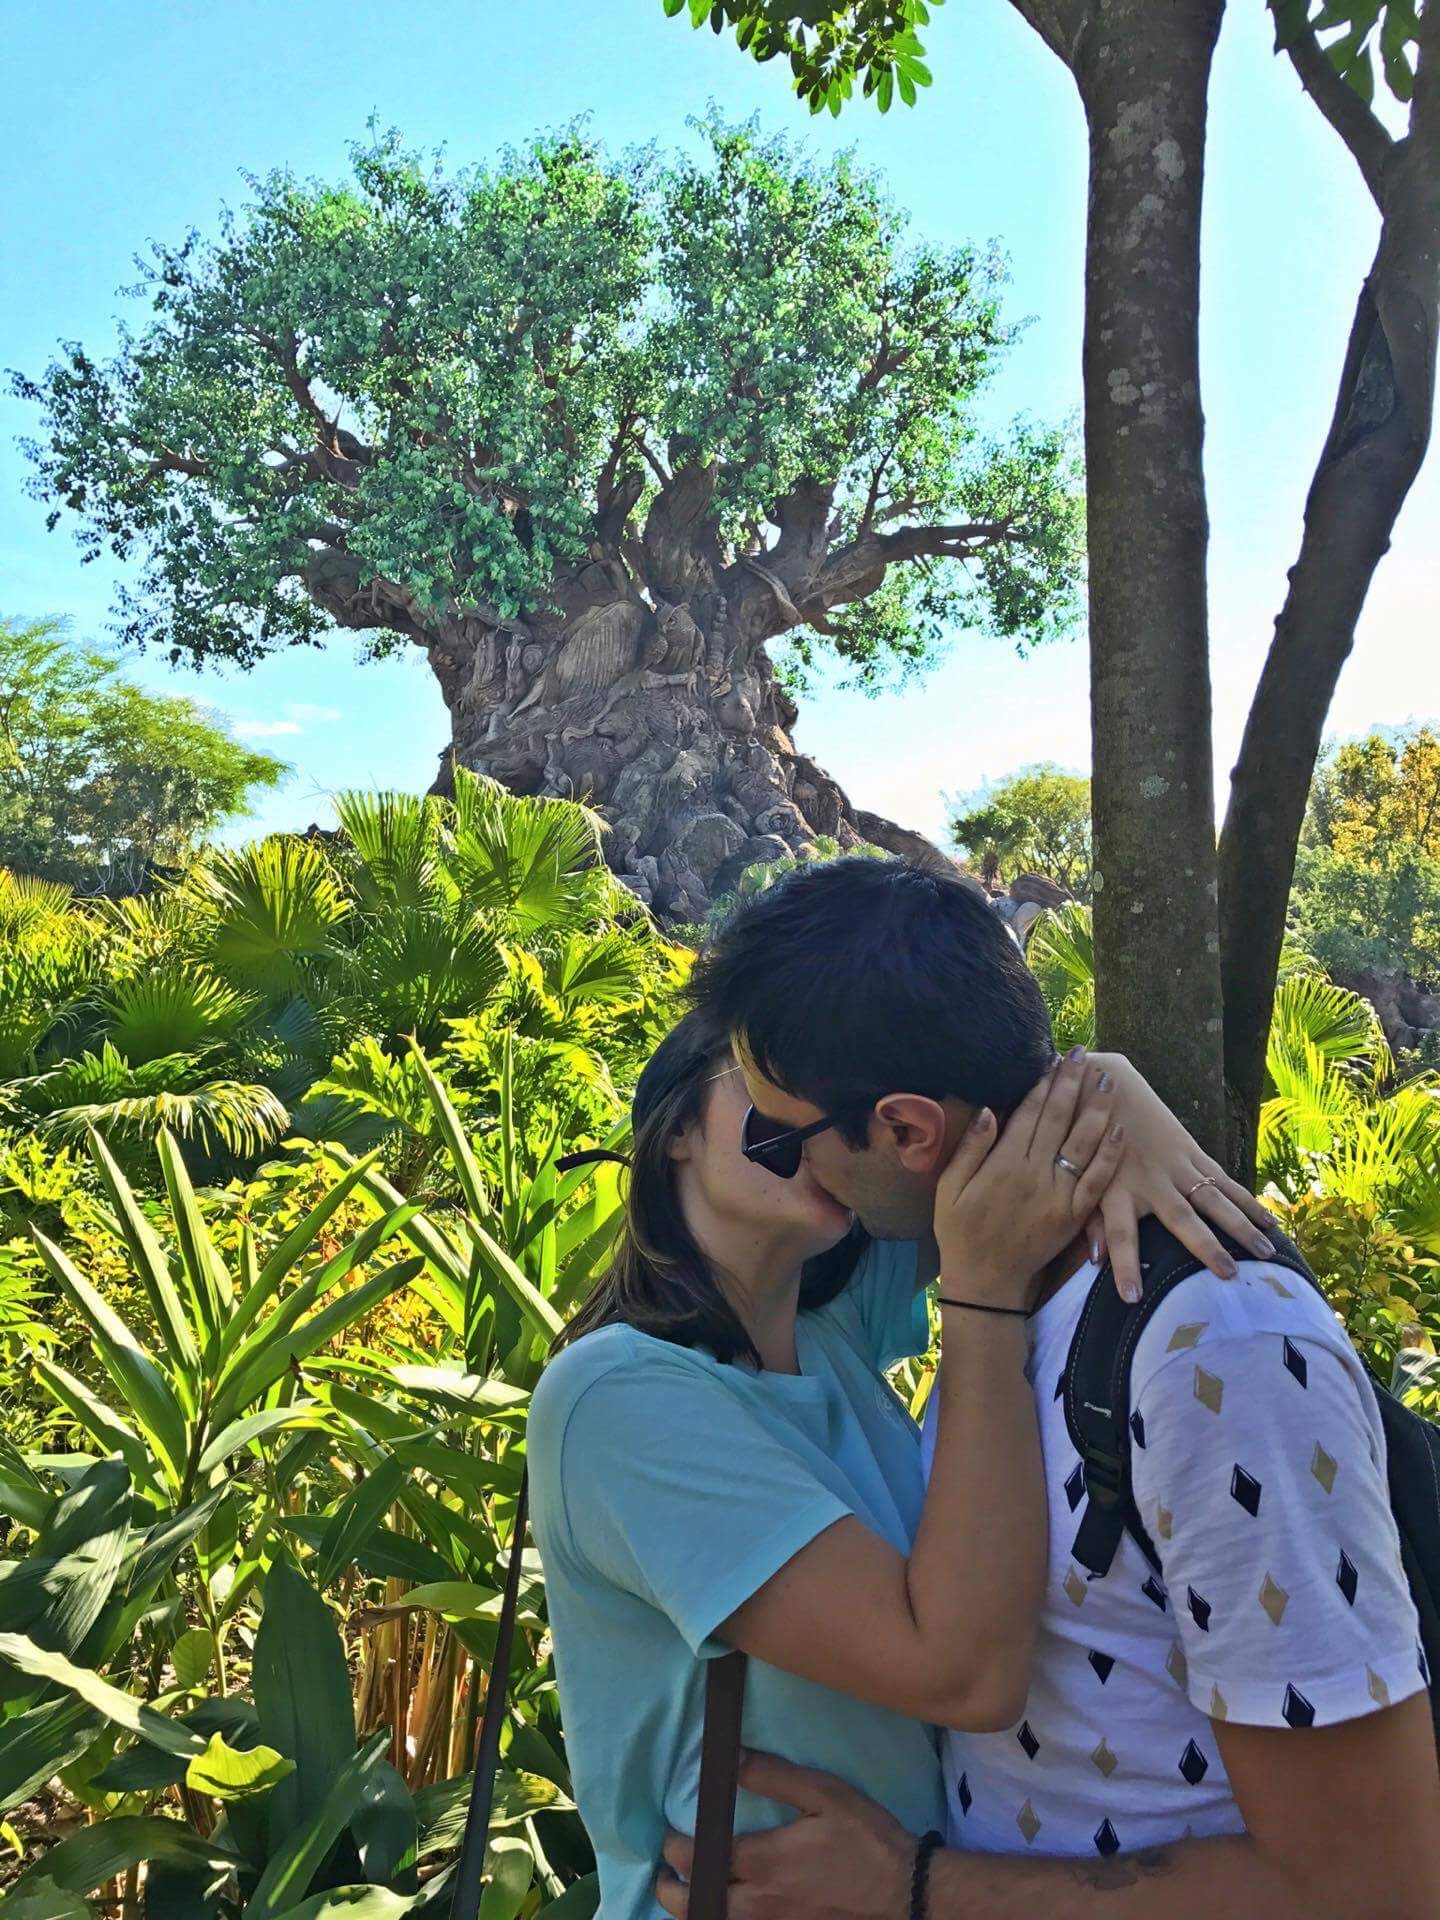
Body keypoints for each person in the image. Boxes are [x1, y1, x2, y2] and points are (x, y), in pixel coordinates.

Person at [654, 855, 1439, 1920]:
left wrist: (913, 1887)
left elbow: (1373, 1888)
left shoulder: (1218, 1353)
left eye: (790, 1138)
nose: (791, 1171)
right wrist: (1105, 1085)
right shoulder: (1000, 1274)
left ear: (907, 1130)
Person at [527, 867, 1257, 1920]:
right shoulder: (618, 1402)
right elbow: (962, 1675)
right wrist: (983, 1293)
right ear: (677, 1127)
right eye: (770, 1107)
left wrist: (1113, 1089)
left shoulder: (831, 1328)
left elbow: (972, 1121)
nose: (817, 1139)